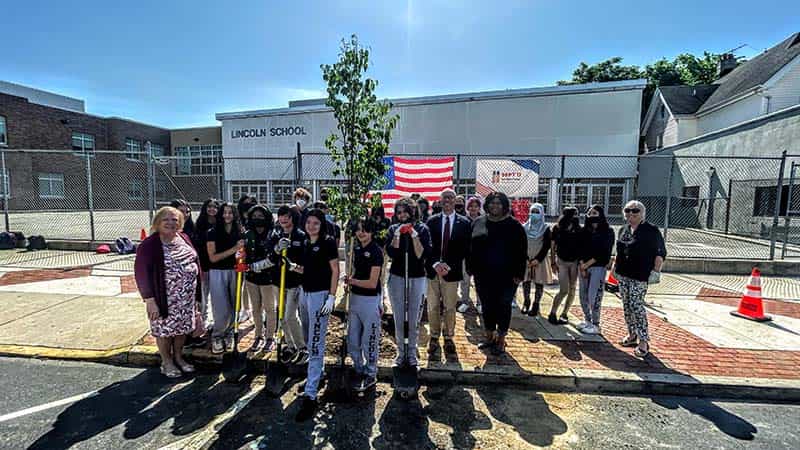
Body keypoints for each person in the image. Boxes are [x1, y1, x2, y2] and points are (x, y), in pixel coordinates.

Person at [134, 207, 200, 378]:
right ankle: (167, 361)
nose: (171, 223)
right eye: (166, 220)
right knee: (164, 330)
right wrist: (149, 300)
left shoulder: (183, 238)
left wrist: (197, 296)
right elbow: (141, 274)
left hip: (186, 298)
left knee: (181, 329)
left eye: (175, 220)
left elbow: (195, 261)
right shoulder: (149, 245)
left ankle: (178, 357)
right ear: (157, 222)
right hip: (164, 298)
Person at [468, 192, 527, 355]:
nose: (495, 206)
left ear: (504, 206)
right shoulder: (478, 222)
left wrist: (519, 274)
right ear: (487, 205)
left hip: (507, 276)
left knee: (503, 305)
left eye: (499, 203)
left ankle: (501, 338)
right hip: (483, 274)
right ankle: (489, 336)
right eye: (492, 203)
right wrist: (470, 267)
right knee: (486, 305)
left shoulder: (514, 225)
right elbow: (470, 247)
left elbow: (522, 252)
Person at [294, 209, 339, 422]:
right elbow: (308, 268)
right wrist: (293, 267)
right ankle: (317, 374)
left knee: (315, 342)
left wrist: (331, 296)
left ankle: (311, 395)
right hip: (305, 292)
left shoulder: (328, 242)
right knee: (308, 336)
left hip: (320, 296)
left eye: (316, 223)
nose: (311, 226)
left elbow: (335, 270)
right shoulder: (305, 242)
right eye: (309, 222)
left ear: (322, 225)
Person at [611, 200, 666, 358]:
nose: (631, 214)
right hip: (624, 274)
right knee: (627, 305)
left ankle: (643, 340)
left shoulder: (651, 230)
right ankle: (632, 335)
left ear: (642, 213)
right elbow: (619, 252)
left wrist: (656, 270)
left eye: (635, 211)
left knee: (637, 306)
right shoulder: (623, 230)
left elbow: (660, 252)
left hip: (640, 275)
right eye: (628, 211)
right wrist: (614, 269)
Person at [385, 197, 431, 368]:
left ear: (412, 212)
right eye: (399, 212)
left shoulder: (422, 229)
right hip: (397, 277)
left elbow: (421, 254)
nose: (402, 215)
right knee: (398, 316)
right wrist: (397, 235)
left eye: (405, 211)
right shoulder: (392, 229)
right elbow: (393, 255)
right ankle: (400, 353)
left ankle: (411, 353)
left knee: (413, 319)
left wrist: (413, 235)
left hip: (417, 276)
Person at [425, 188, 472, 356]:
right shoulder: (431, 221)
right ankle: (434, 336)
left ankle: (449, 337)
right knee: (433, 306)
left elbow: (465, 248)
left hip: (452, 273)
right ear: (440, 200)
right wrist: (436, 264)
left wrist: (449, 265)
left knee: (450, 307)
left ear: (456, 201)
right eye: (444, 198)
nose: (447, 201)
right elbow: (427, 247)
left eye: (451, 198)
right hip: (432, 271)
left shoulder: (465, 223)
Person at [344, 218, 384, 391]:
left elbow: (372, 283)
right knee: (352, 338)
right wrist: (349, 283)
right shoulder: (356, 248)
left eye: (365, 230)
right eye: (359, 229)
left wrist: (352, 281)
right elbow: (354, 273)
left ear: (372, 232)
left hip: (370, 300)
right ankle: (358, 368)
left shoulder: (376, 252)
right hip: (355, 298)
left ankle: (371, 373)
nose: (361, 233)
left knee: (370, 339)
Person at [268, 205, 308, 363]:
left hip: (294, 283)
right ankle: (290, 346)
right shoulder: (275, 234)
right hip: (278, 281)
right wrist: (277, 249)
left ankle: (302, 348)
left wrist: (295, 266)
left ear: (293, 218)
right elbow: (270, 253)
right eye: (281, 216)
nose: (284, 219)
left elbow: (305, 260)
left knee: (290, 315)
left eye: (287, 216)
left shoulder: (300, 236)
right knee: (282, 317)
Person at [206, 202, 245, 354]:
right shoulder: (213, 232)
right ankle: (217, 335)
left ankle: (230, 333)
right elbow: (213, 258)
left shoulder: (240, 231)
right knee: (221, 308)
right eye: (224, 212)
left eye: (230, 212)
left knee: (235, 305)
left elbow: (242, 254)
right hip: (218, 272)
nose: (227, 215)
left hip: (235, 271)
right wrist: (234, 249)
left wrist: (241, 254)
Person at [243, 204, 277, 353]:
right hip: (251, 278)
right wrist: (241, 262)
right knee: (255, 308)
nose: (258, 219)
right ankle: (258, 335)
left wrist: (259, 265)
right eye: (254, 217)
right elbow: (241, 255)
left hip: (268, 278)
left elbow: (274, 257)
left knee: (270, 308)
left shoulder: (272, 234)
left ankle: (270, 337)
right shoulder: (247, 234)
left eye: (261, 216)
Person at [577, 205, 615, 335]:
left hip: (598, 267)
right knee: (583, 296)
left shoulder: (608, 231)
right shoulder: (584, 231)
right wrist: (582, 265)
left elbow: (604, 252)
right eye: (590, 213)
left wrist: (587, 264)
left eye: (595, 213)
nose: (592, 215)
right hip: (583, 267)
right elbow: (580, 248)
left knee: (594, 296)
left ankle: (595, 323)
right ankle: (587, 320)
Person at [549, 206, 582, 325]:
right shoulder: (558, 228)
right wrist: (552, 262)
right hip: (562, 261)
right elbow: (552, 247)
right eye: (573, 214)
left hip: (574, 262)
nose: (576, 217)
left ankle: (564, 313)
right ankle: (553, 312)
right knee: (563, 289)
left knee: (572, 288)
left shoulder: (579, 229)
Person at [522, 203, 553, 317]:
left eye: (537, 212)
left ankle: (536, 304)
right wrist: (526, 258)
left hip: (540, 260)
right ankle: (526, 302)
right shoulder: (524, 227)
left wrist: (537, 259)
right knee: (526, 282)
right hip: (526, 259)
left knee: (539, 283)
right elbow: (521, 244)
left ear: (541, 214)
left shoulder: (546, 228)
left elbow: (546, 246)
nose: (534, 214)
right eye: (533, 211)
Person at [193, 198, 219, 334]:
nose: (212, 209)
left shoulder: (221, 224)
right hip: (203, 264)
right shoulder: (200, 224)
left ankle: (216, 320)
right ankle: (203, 320)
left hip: (217, 266)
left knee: (217, 295)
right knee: (203, 295)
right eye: (209, 206)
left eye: (215, 207)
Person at [457, 196, 484, 314]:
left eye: (476, 206)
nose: (473, 208)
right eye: (471, 206)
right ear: (467, 207)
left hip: (479, 256)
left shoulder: (484, 220)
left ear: (479, 207)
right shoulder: (463, 220)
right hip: (465, 255)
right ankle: (465, 302)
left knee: (480, 281)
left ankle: (480, 303)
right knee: (465, 280)